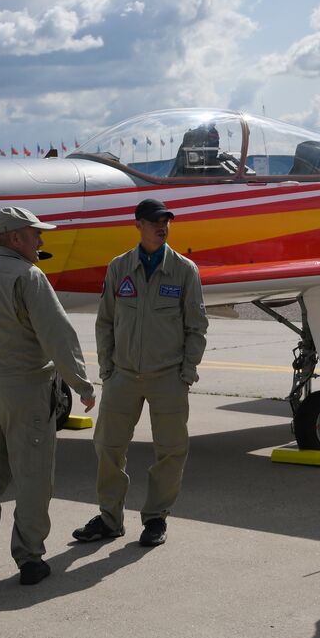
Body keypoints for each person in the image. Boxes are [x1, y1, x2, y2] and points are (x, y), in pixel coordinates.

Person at [0, 206, 96, 589]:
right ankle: (30, 559)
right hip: (26, 390)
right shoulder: (29, 276)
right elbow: (56, 334)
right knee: (32, 477)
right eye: (35, 235)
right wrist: (80, 383)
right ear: (15, 238)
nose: (40, 241)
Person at [74, 198, 208, 548]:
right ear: (138, 225)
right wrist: (107, 368)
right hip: (123, 376)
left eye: (166, 221)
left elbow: (197, 326)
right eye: (154, 221)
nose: (162, 226)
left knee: (171, 450)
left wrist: (186, 372)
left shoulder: (184, 270)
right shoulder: (119, 268)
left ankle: (155, 519)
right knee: (107, 446)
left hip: (168, 378)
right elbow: (105, 322)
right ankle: (109, 518)